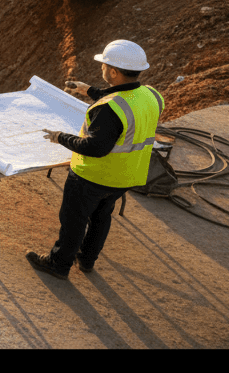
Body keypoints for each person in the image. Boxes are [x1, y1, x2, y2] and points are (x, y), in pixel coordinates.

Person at [26, 39, 164, 281]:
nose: (102, 69)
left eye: (104, 65)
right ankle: (87, 260)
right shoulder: (151, 95)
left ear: (113, 71)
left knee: (74, 221)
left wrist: (60, 137)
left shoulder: (110, 110)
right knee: (101, 217)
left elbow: (95, 147)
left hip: (93, 176)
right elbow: (125, 99)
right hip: (126, 176)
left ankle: (58, 264)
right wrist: (88, 90)